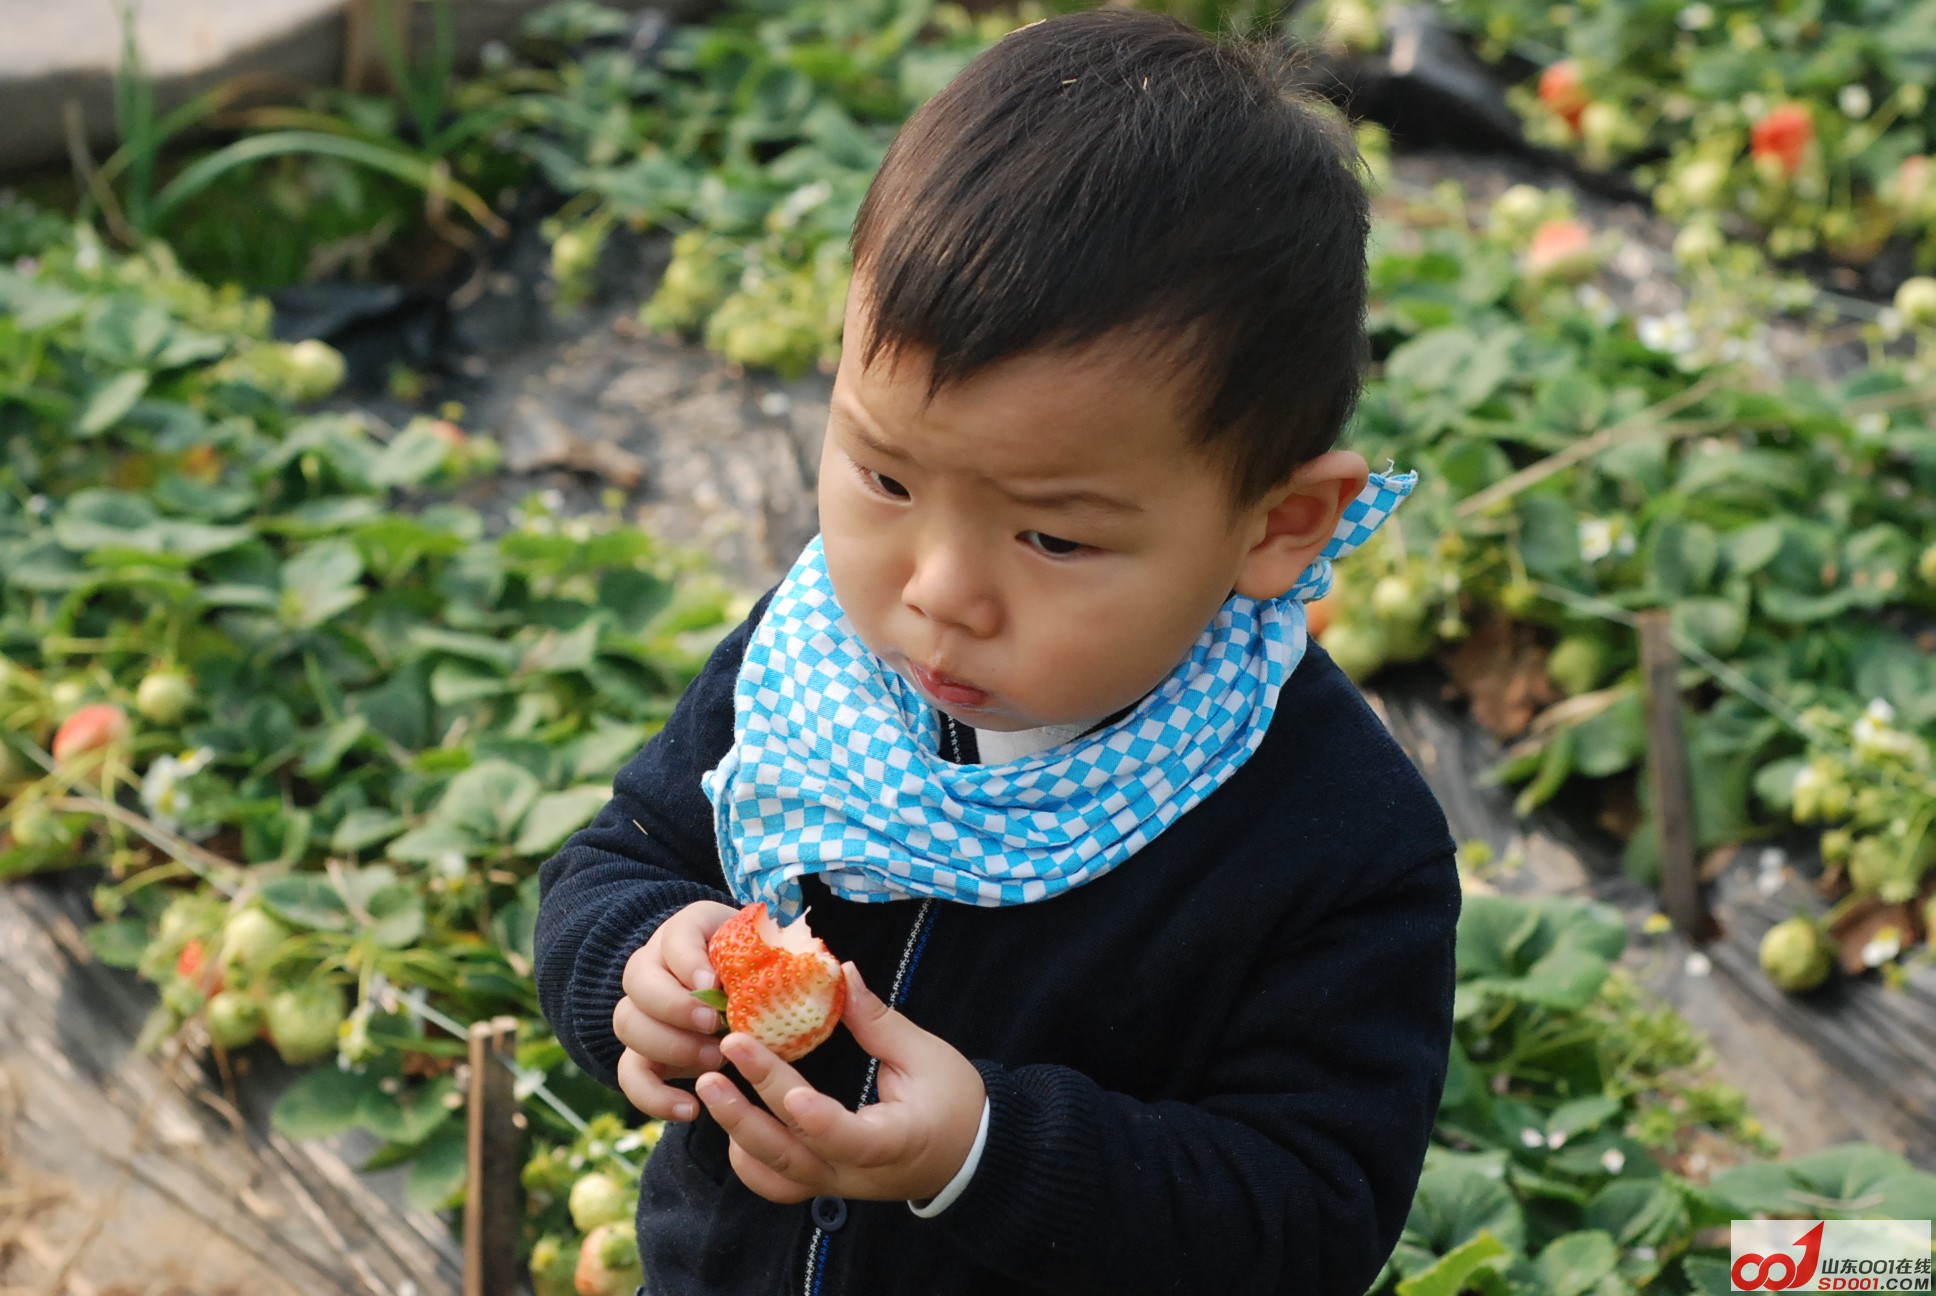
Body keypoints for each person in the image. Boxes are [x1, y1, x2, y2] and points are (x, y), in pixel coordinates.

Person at [534, 8, 1460, 1294]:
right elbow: (622, 857)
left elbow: (1309, 1218)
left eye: (1053, 538)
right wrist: (639, 965)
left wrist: (984, 1152)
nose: (938, 595)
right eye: (885, 477)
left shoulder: (1333, 840)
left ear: (1277, 524)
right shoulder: (811, 667)